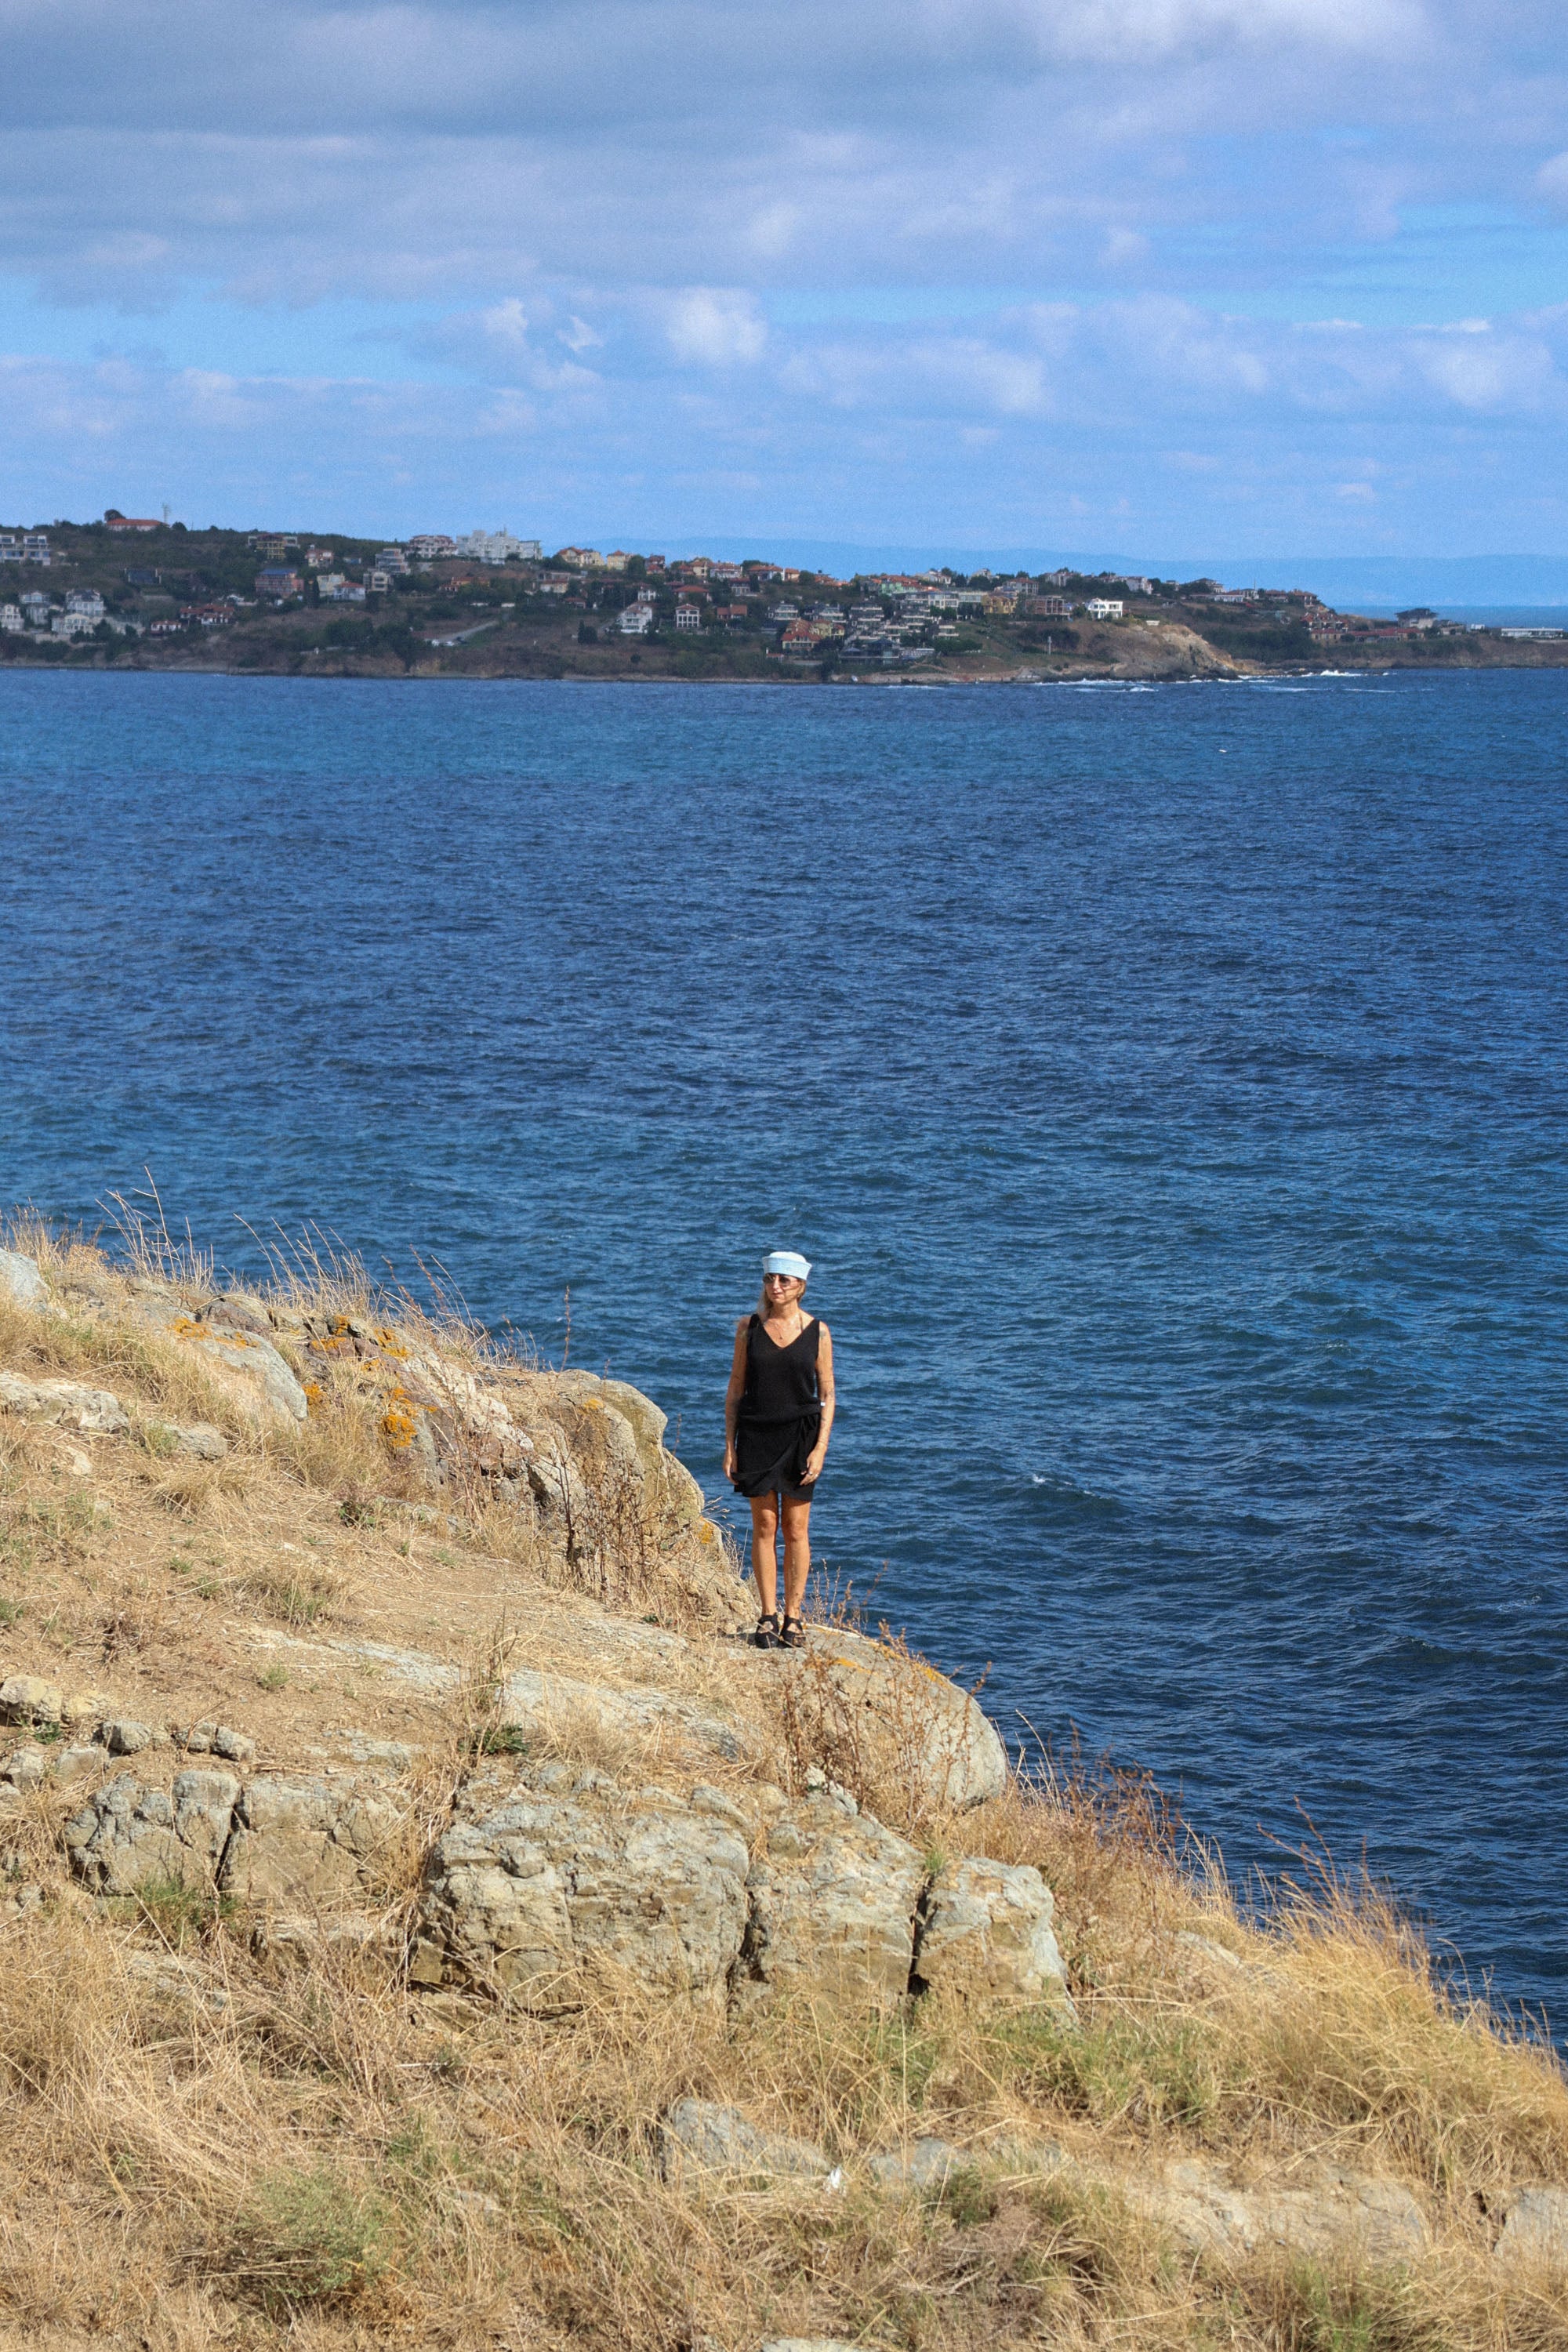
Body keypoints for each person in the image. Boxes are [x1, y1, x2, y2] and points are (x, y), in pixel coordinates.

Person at [724, 1250, 835, 1650]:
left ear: (800, 1286)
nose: (776, 1287)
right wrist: (730, 1447)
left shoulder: (818, 1332)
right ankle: (768, 1616)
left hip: (800, 1437)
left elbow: (828, 1394)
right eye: (770, 1279)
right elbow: (736, 1389)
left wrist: (820, 1449)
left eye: (784, 1281)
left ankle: (794, 1617)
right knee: (765, 1526)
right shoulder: (748, 1328)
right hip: (756, 1435)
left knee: (796, 1529)